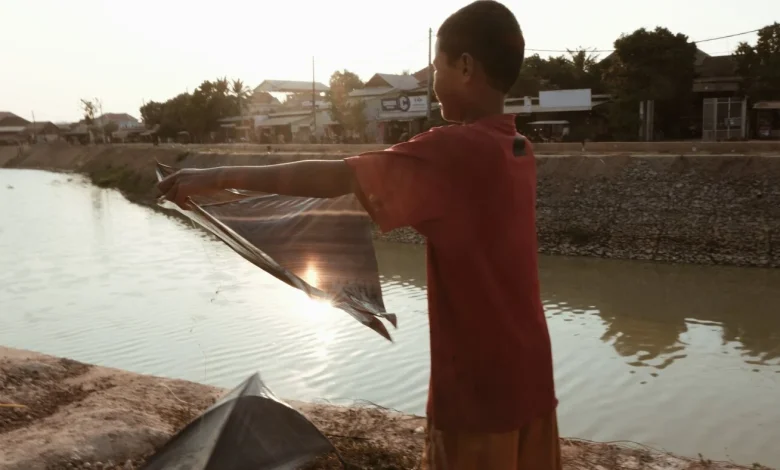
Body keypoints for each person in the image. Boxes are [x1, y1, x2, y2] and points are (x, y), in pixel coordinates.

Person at [157, 1, 559, 468]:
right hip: (532, 377)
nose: (432, 79)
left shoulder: (455, 150)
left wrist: (218, 176)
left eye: (437, 66)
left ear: (465, 66)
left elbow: (339, 178)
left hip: (478, 390)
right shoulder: (517, 148)